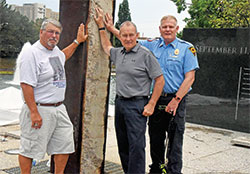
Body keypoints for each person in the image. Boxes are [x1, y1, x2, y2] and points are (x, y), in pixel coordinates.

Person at [104, 14, 199, 174]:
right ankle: (156, 169)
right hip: (155, 99)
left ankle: (174, 171)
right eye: (164, 27)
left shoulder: (186, 48)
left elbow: (190, 78)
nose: (167, 29)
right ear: (160, 29)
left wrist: (176, 99)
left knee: (174, 141)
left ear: (177, 29)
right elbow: (128, 39)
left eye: (171, 27)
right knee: (156, 138)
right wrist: (110, 28)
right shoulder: (153, 45)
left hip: (175, 99)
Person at [94, 7, 165, 174]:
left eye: (131, 35)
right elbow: (106, 47)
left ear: (137, 35)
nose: (127, 38)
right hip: (120, 104)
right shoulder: (119, 53)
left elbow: (160, 80)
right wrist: (102, 28)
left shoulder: (145, 55)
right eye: (124, 35)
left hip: (137, 105)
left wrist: (151, 104)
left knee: (136, 146)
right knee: (123, 145)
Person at [18, 18, 88, 174]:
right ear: (41, 32)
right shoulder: (31, 53)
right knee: (29, 148)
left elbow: (63, 56)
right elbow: (26, 85)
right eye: (50, 31)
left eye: (57, 33)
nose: (54, 36)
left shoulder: (55, 52)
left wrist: (77, 41)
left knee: (64, 144)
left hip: (59, 108)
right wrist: (34, 112)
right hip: (39, 108)